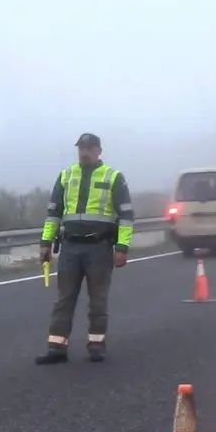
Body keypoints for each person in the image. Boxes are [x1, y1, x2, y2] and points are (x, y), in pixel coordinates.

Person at [34, 133, 135, 364]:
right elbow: (54, 214)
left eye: (90, 148)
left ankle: (96, 345)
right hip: (70, 246)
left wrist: (122, 247)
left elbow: (127, 216)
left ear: (99, 151)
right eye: (81, 148)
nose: (85, 152)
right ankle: (56, 347)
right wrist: (45, 243)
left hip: (99, 246)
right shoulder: (66, 176)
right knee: (64, 299)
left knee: (98, 299)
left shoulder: (114, 177)